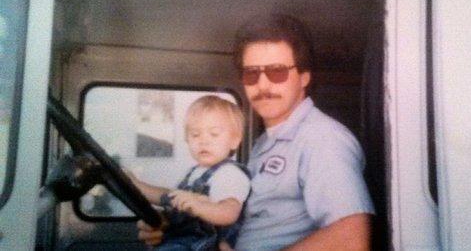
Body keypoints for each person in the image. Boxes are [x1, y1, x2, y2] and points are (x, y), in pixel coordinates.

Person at [138, 14, 374, 250]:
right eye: (252, 74)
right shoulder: (263, 144)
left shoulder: (321, 139)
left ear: (304, 77)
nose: (262, 85)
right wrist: (175, 228)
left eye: (277, 72)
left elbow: (351, 239)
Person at [131, 95, 250, 250]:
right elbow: (169, 197)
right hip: (181, 240)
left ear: (234, 140)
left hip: (204, 245)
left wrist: (197, 205)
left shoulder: (230, 174)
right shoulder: (194, 172)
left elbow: (229, 213)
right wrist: (136, 185)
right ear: (187, 139)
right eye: (195, 134)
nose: (203, 141)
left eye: (214, 134)